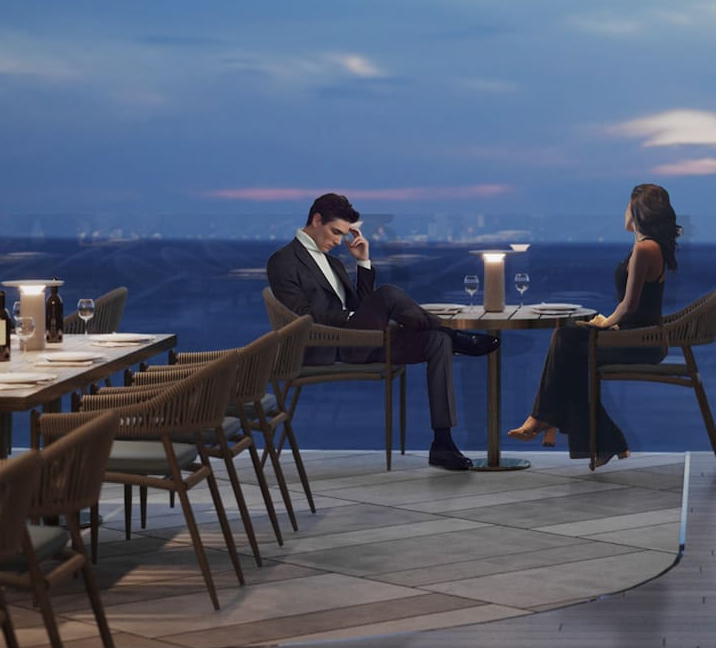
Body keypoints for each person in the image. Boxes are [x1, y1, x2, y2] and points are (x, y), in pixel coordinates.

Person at [267, 192, 475, 472]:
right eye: (335, 232)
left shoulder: (334, 262)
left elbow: (361, 307)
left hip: (360, 342)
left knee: (436, 342)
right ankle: (455, 335)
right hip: (325, 348)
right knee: (388, 294)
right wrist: (352, 316)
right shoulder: (283, 261)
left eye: (342, 234)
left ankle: (442, 443)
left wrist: (363, 263)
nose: (338, 241)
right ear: (316, 220)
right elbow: (302, 316)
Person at [507, 183, 678, 464]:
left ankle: (544, 420)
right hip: (637, 336)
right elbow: (636, 304)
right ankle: (592, 437)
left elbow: (630, 304)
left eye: (627, 205)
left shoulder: (645, 249)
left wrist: (606, 324)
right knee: (569, 349)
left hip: (639, 342)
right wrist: (607, 324)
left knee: (566, 343)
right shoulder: (651, 246)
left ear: (638, 211)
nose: (623, 211)